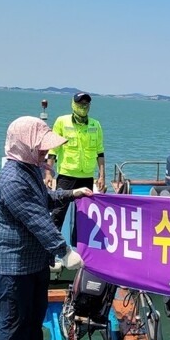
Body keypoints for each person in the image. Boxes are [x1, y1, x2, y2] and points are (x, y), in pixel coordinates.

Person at [0, 116, 93, 340]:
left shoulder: (32, 169)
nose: (46, 152)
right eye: (41, 147)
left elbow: (45, 198)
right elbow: (37, 219)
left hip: (36, 263)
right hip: (13, 265)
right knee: (14, 321)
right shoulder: (12, 179)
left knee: (35, 315)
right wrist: (64, 250)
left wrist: (73, 194)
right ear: (24, 145)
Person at [45, 91, 105, 244]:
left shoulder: (95, 124)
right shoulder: (62, 122)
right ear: (73, 104)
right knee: (58, 211)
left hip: (86, 176)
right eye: (80, 103)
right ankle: (50, 246)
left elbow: (100, 152)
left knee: (83, 214)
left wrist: (102, 175)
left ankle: (78, 247)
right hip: (66, 175)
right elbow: (53, 150)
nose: (83, 106)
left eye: (86, 104)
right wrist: (48, 173)